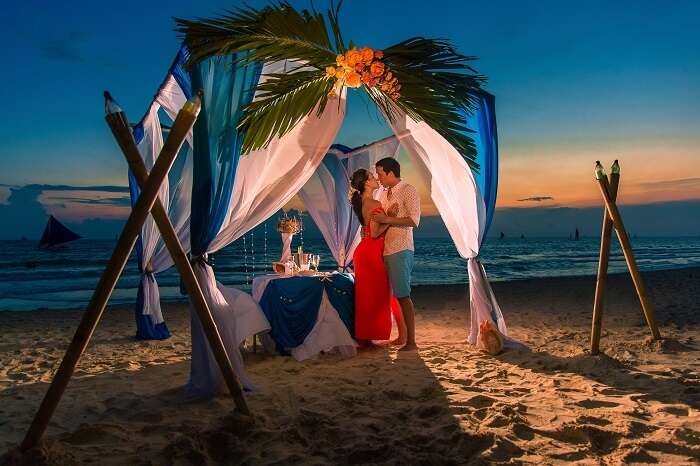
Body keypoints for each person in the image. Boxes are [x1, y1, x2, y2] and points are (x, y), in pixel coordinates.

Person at [372, 157, 420, 351]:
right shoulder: (383, 194)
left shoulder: (408, 190)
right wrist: (386, 219)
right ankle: (402, 337)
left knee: (403, 295)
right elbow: (384, 221)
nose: (378, 178)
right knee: (395, 296)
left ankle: (412, 342)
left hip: (401, 247)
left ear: (391, 173)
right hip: (387, 248)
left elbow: (414, 220)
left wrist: (387, 219)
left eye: (380, 174)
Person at [349, 168, 400, 345]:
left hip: (363, 251)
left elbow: (368, 230)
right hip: (372, 252)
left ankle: (366, 337)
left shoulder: (362, 202)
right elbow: (376, 232)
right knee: (382, 294)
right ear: (365, 184)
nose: (375, 179)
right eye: (371, 177)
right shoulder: (373, 202)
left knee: (366, 297)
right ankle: (395, 334)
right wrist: (391, 217)